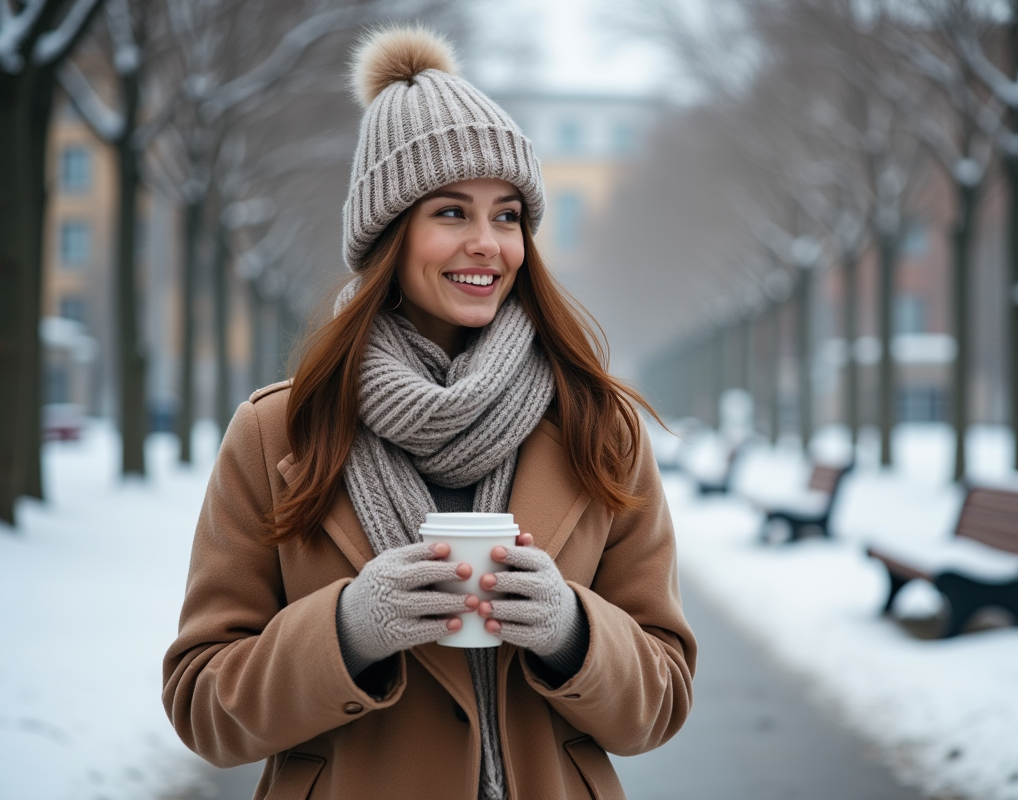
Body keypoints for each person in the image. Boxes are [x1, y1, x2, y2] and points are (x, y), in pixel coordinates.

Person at [163, 24, 697, 800]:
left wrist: (573, 632)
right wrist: (347, 631)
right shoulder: (278, 432)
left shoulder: (597, 425)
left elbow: (663, 699)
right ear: (389, 231)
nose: (488, 243)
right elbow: (202, 706)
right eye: (451, 212)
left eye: (508, 215)